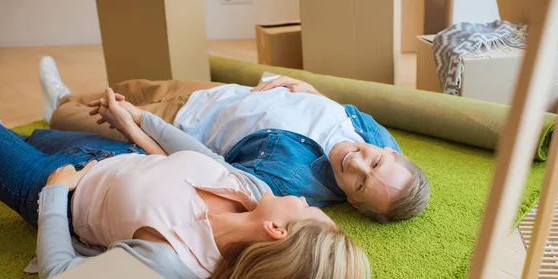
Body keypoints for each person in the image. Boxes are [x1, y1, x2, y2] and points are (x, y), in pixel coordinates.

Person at [0, 117, 370, 279]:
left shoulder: (173, 263)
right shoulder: (255, 193)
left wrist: (55, 192)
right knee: (28, 132)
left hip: (50, 182)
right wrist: (137, 121)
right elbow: (200, 155)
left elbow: (60, 276)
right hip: (115, 152)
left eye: (306, 208)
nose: (303, 198)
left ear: (276, 230)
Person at [40, 57, 430, 222]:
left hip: (181, 122)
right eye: (376, 161)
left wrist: (133, 128)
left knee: (88, 112)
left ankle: (57, 103)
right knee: (136, 85)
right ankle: (66, 94)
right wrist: (310, 91)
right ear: (390, 151)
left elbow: (205, 170)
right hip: (223, 93)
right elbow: (344, 111)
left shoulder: (290, 184)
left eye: (361, 182)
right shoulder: (379, 136)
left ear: (354, 203)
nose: (356, 163)